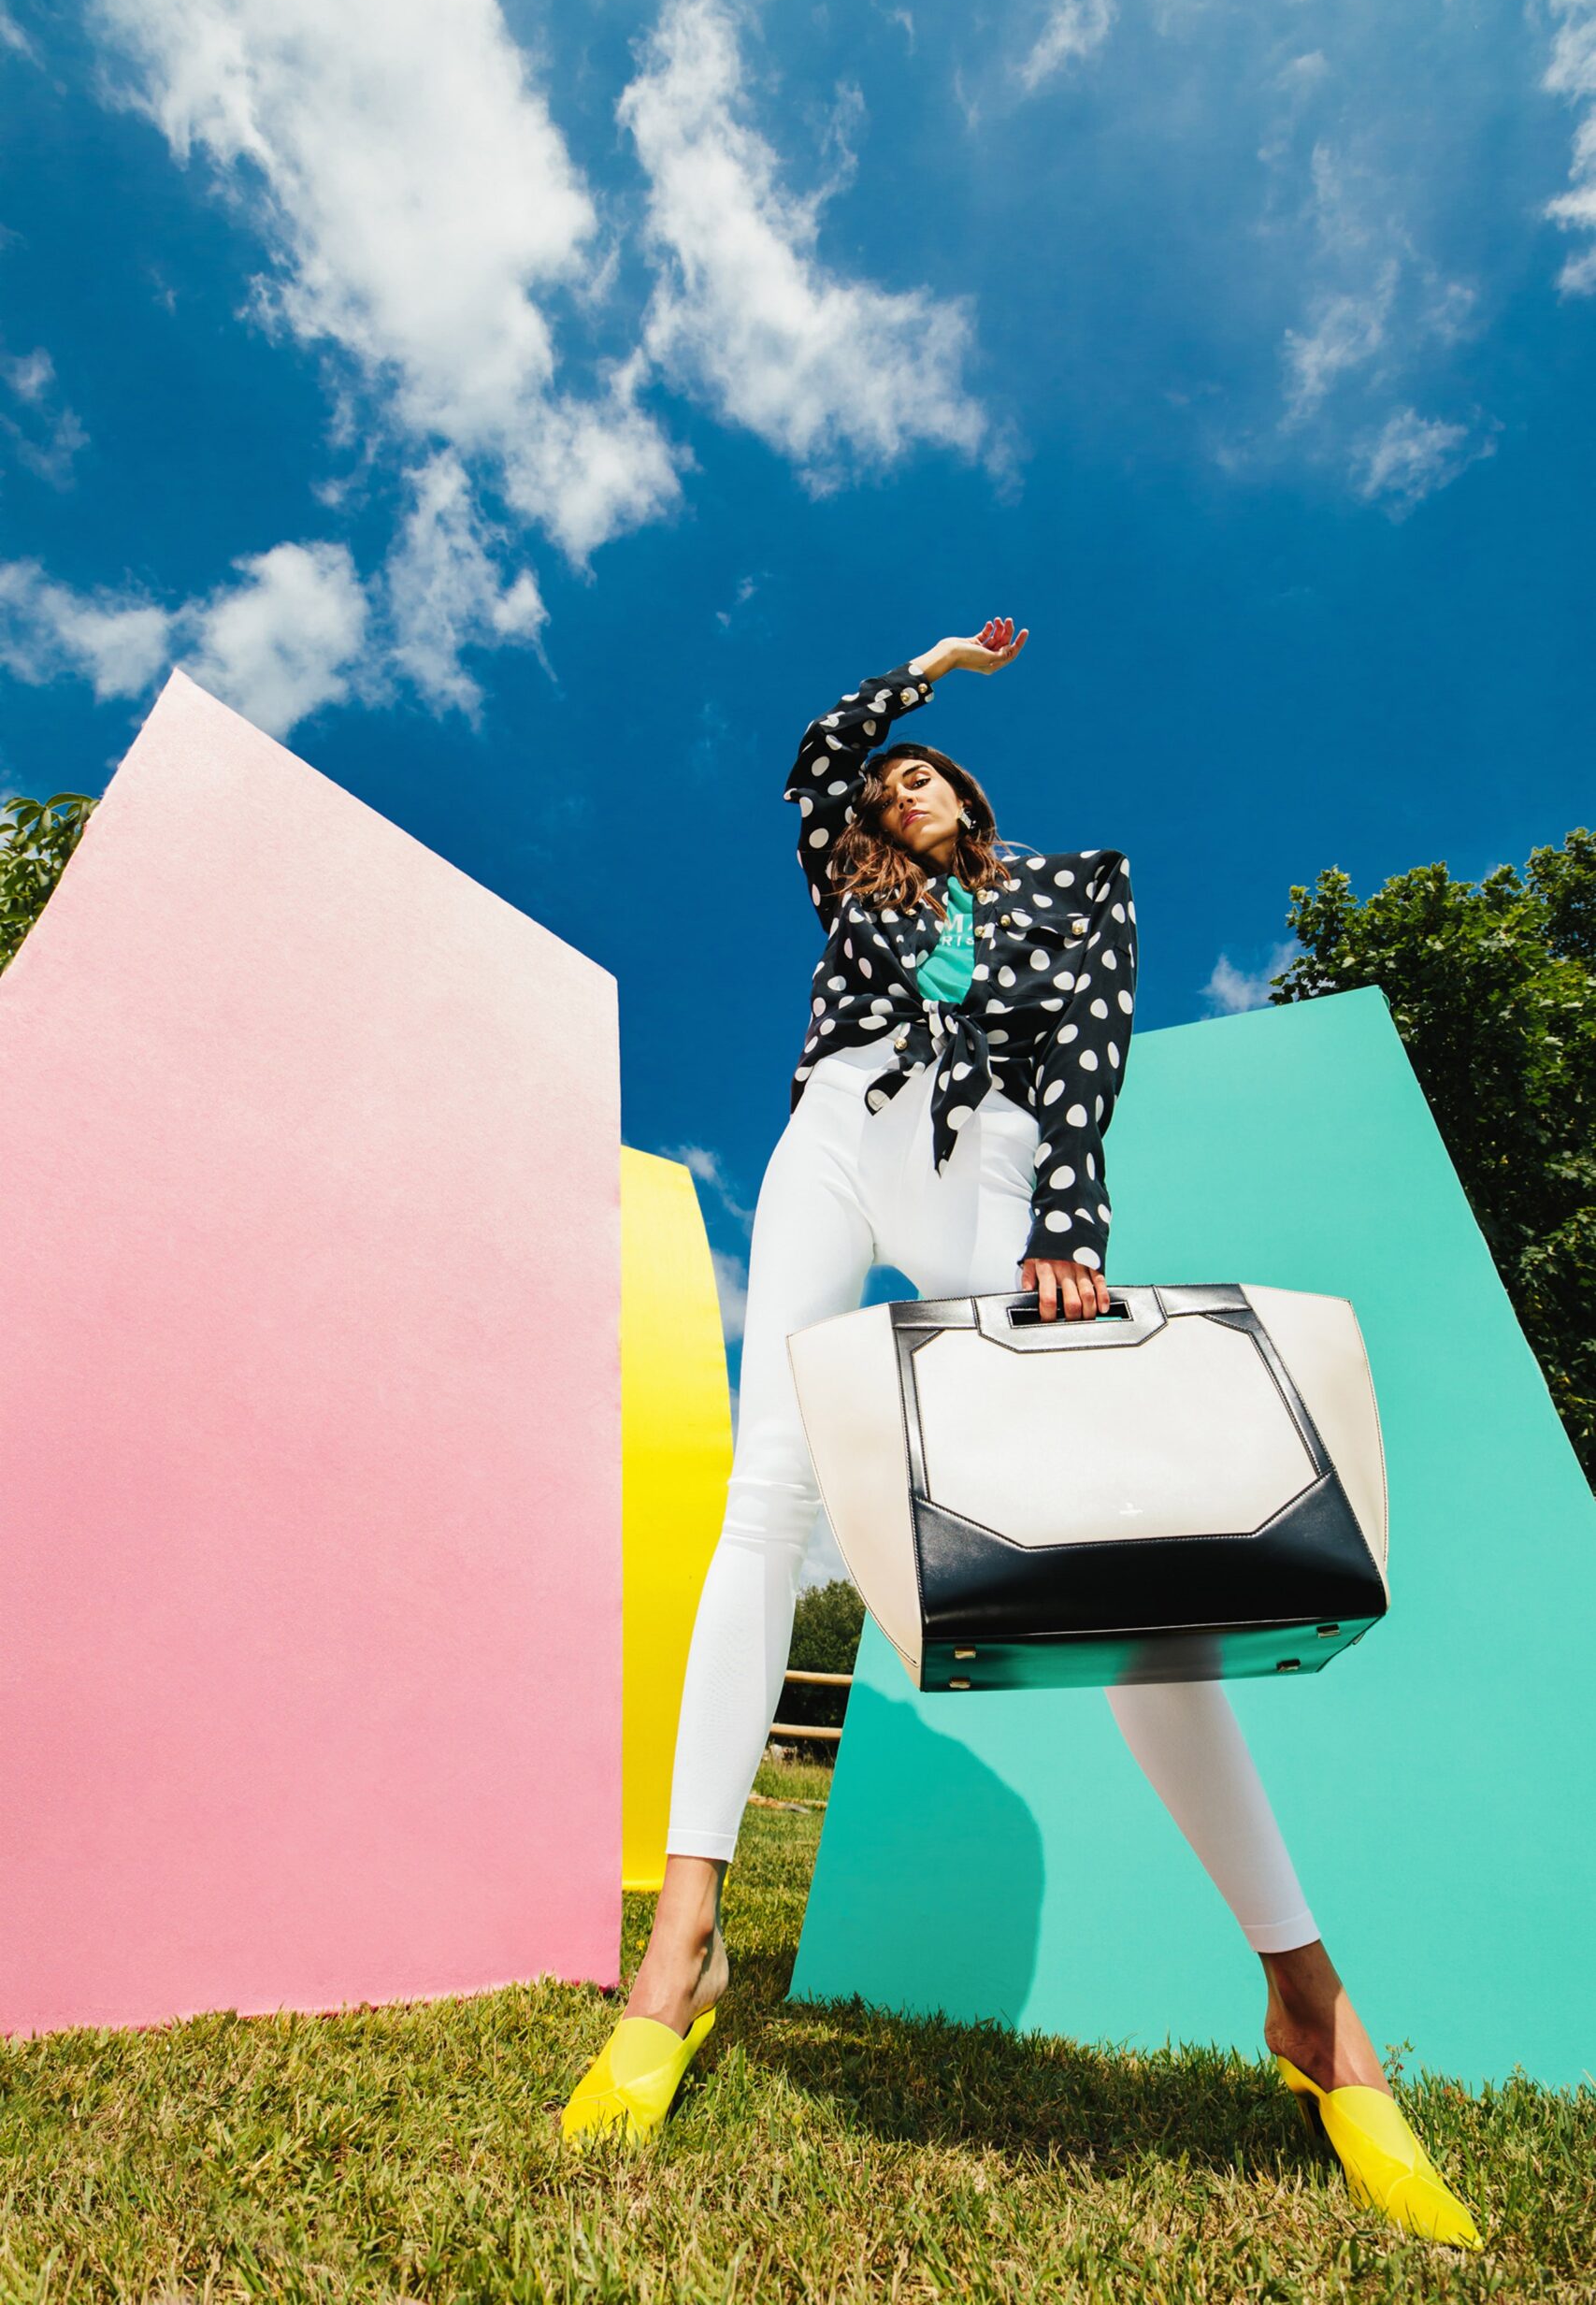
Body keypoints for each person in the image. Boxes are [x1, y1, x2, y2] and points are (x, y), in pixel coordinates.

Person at [561, 620, 1481, 2251]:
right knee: (768, 1484)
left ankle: (1309, 2003)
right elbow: (819, 753)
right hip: (839, 1135)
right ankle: (683, 1946)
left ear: (976, 808)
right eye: (890, 780)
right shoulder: (855, 892)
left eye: (929, 774)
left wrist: (1069, 1229)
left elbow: (1086, 1072)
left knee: (1121, 1547)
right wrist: (921, 675)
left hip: (993, 1164)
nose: (902, 785)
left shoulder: (1077, 892)